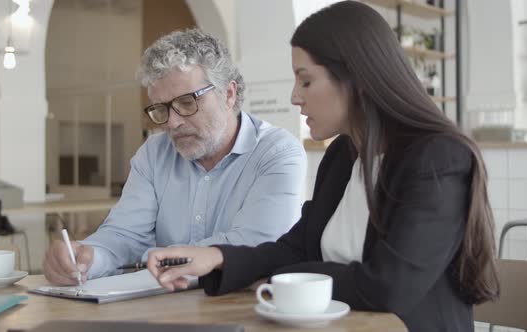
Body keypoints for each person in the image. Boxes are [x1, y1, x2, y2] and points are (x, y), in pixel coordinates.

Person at [147, 2, 500, 331]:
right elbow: (296, 247)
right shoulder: (343, 154)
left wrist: (279, 277)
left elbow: (388, 287)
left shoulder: (437, 157)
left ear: (356, 78)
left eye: (306, 80)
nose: (294, 96)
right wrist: (215, 257)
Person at [43, 29, 307, 285]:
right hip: (168, 310)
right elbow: (125, 233)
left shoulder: (278, 153)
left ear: (228, 94)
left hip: (248, 310)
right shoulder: (154, 154)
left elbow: (255, 243)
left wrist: (151, 258)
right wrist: (88, 257)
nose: (172, 123)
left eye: (187, 102)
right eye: (161, 109)